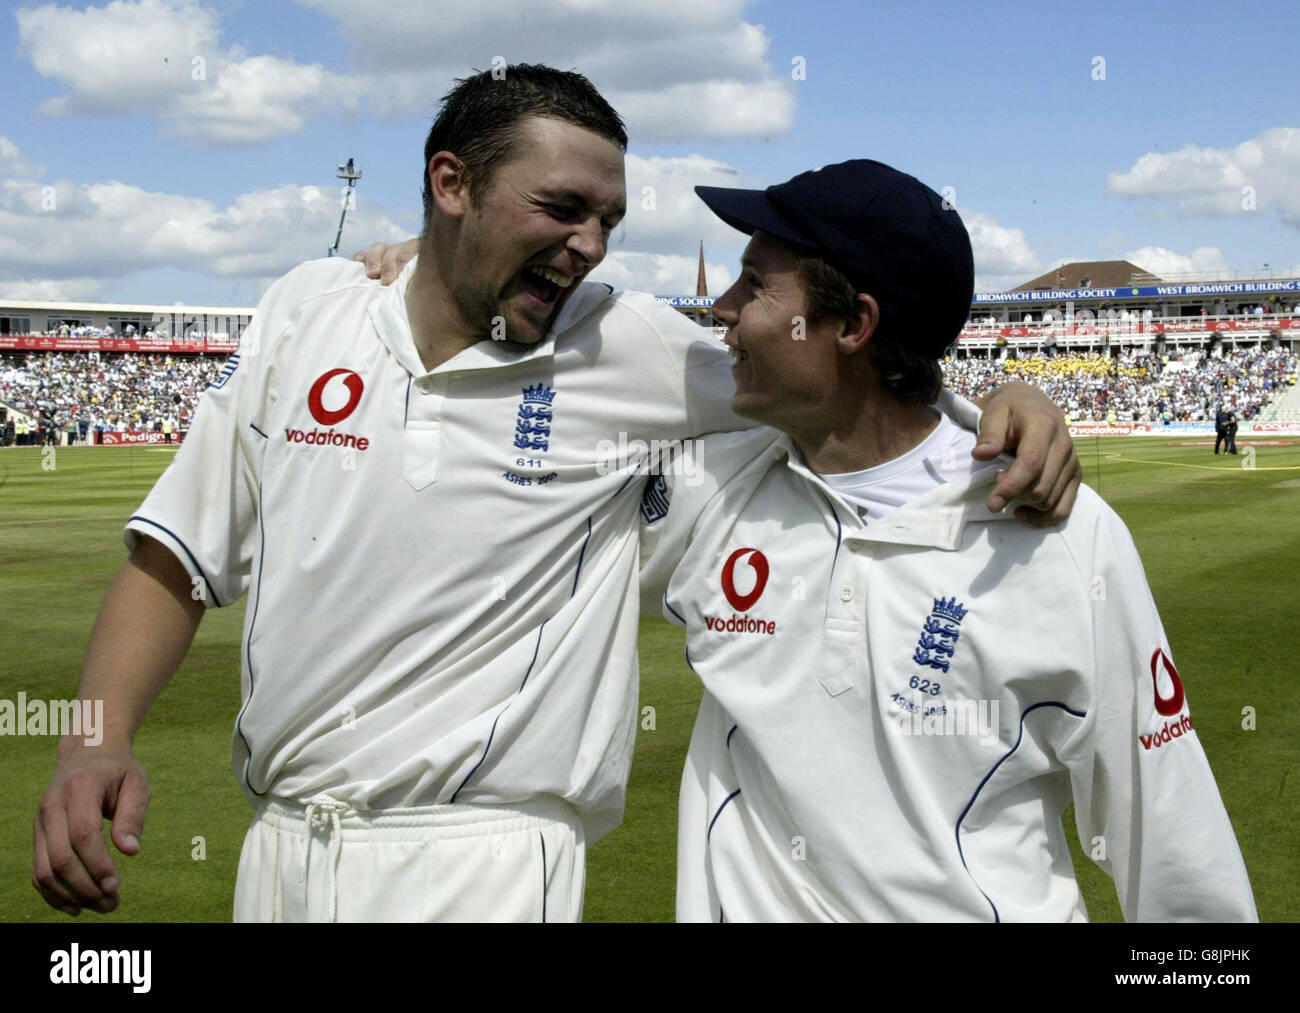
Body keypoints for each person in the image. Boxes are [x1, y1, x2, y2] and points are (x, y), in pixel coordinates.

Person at [35, 66, 1077, 924]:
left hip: (483, 860)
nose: (589, 246)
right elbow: (173, 552)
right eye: (561, 209)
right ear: (451, 184)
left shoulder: (629, 345)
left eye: (608, 221)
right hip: (282, 852)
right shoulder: (308, 310)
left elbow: (844, 367)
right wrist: (93, 738)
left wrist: (1001, 392)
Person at [637, 160, 1256, 921]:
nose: (722, 308)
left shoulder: (1063, 537)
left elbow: (1169, 841)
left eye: (755, 284)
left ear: (854, 325)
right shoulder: (712, 491)